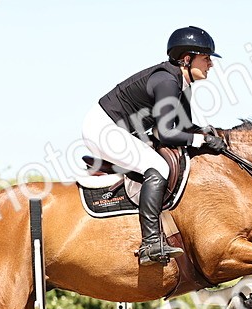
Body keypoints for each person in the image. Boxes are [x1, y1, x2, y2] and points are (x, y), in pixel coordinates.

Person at [81, 26, 228, 266]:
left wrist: (208, 134)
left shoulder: (181, 83)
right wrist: (202, 140)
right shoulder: (167, 80)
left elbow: (184, 126)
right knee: (159, 167)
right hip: (103, 130)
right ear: (187, 59)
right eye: (206, 58)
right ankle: (150, 243)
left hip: (118, 129)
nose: (210, 64)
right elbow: (168, 133)